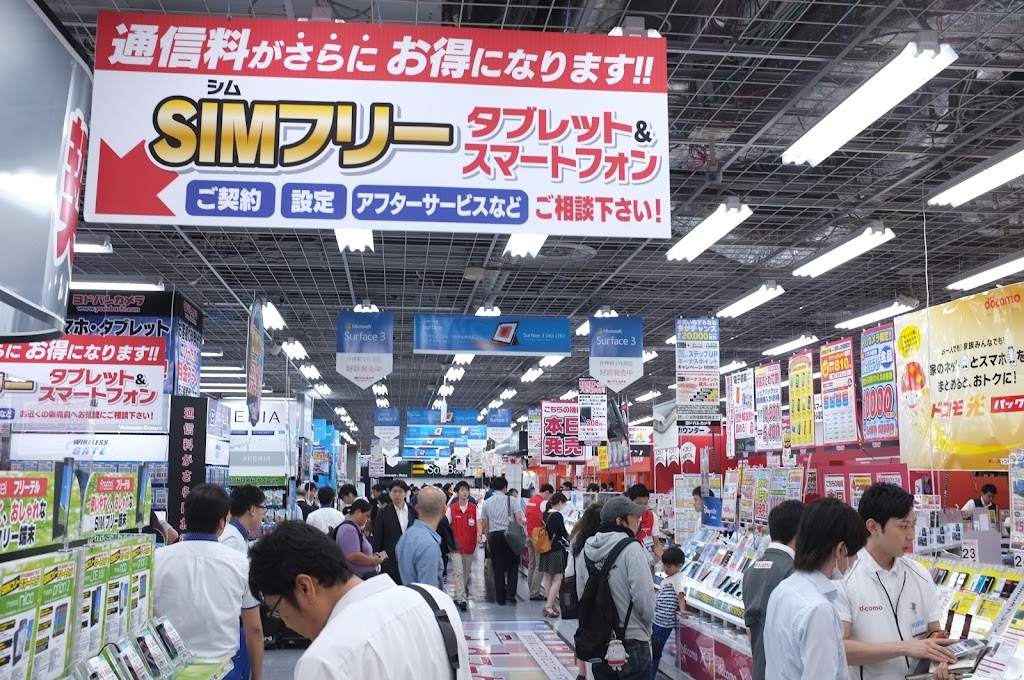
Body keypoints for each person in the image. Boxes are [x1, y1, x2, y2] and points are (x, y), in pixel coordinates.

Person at [248, 521, 471, 680]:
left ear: (305, 587)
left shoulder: (325, 661)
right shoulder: (434, 600)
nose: (286, 624)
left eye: (277, 610)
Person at [837, 483, 957, 680]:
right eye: (903, 526)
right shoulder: (846, 576)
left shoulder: (919, 574)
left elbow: (933, 630)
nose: (911, 535)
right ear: (873, 527)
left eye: (913, 525)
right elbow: (839, 647)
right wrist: (904, 647)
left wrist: (938, 648)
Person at [153, 484, 263, 680]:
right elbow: (254, 628)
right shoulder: (241, 563)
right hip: (222, 669)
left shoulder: (157, 559)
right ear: (222, 522)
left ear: (186, 518)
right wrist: (257, 676)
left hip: (172, 669)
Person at [763, 497, 867, 680]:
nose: (855, 560)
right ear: (840, 550)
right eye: (854, 553)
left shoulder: (783, 589)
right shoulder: (819, 609)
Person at [577, 496, 655, 680]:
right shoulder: (632, 549)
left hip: (599, 641)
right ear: (620, 521)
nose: (638, 522)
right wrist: (647, 628)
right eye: (634, 517)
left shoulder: (586, 550)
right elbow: (644, 598)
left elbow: (582, 594)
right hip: (632, 640)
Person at [743, 499, 804, 680]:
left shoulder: (751, 570)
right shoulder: (793, 571)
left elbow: (750, 629)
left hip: (760, 668)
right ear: (799, 534)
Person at [570, 503, 604, 680]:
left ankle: (581, 671)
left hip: (580, 590)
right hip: (598, 594)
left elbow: (570, 568)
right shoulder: (600, 542)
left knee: (583, 629)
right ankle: (589, 670)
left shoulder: (578, 538)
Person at [479, 477, 525, 605]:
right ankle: (511, 594)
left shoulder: (487, 502)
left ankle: (500, 597)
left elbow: (485, 524)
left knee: (498, 567)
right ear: (505, 487)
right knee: (513, 565)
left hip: (495, 536)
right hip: (510, 536)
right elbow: (519, 519)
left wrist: (488, 538)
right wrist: (520, 533)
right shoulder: (512, 500)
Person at [396, 486, 446, 589]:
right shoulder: (429, 545)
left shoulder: (406, 537)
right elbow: (429, 591)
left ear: (417, 508)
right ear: (444, 510)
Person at [371, 480, 418, 584]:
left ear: (406, 493)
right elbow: (377, 540)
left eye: (400, 491)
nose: (397, 494)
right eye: (394, 491)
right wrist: (383, 559)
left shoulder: (413, 511)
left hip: (411, 562)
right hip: (391, 564)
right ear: (389, 493)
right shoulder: (383, 513)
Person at [651, 547, 686, 679]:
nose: (665, 568)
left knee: (655, 652)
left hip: (664, 623)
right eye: (664, 565)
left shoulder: (678, 578)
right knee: (653, 650)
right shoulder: (667, 579)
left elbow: (681, 595)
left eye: (669, 566)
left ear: (679, 566)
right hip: (657, 619)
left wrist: (682, 610)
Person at [446, 481, 480, 611]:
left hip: (470, 545)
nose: (465, 492)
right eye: (462, 490)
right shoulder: (452, 508)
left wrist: (479, 534)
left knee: (465, 573)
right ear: (457, 492)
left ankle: (458, 594)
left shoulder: (474, 508)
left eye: (466, 489)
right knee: (459, 572)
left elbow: (478, 522)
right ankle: (462, 599)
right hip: (456, 547)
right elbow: (446, 525)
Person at [539, 492, 570, 618]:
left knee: (548, 578)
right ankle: (548, 606)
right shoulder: (557, 515)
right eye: (564, 504)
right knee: (558, 578)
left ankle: (550, 604)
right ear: (560, 502)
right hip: (556, 550)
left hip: (546, 549)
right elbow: (563, 532)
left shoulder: (545, 514)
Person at [335, 499, 383, 580]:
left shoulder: (355, 528)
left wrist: (371, 556)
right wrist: (372, 560)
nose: (367, 519)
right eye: (366, 516)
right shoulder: (349, 529)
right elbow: (353, 556)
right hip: (359, 578)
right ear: (358, 512)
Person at [525, 484, 555, 601]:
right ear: (547, 492)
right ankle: (534, 593)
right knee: (539, 566)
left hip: (529, 535)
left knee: (532, 564)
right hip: (539, 537)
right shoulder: (543, 503)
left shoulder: (531, 501)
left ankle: (531, 589)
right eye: (550, 495)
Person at [220, 485, 266, 553]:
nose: (264, 515)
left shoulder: (236, 534)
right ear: (252, 510)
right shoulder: (232, 540)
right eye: (263, 509)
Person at [626, 484, 664, 562]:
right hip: (626, 560)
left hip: (643, 560)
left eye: (645, 504)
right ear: (630, 502)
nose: (642, 507)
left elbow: (656, 545)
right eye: (638, 503)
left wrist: (666, 562)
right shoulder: (624, 518)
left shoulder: (651, 517)